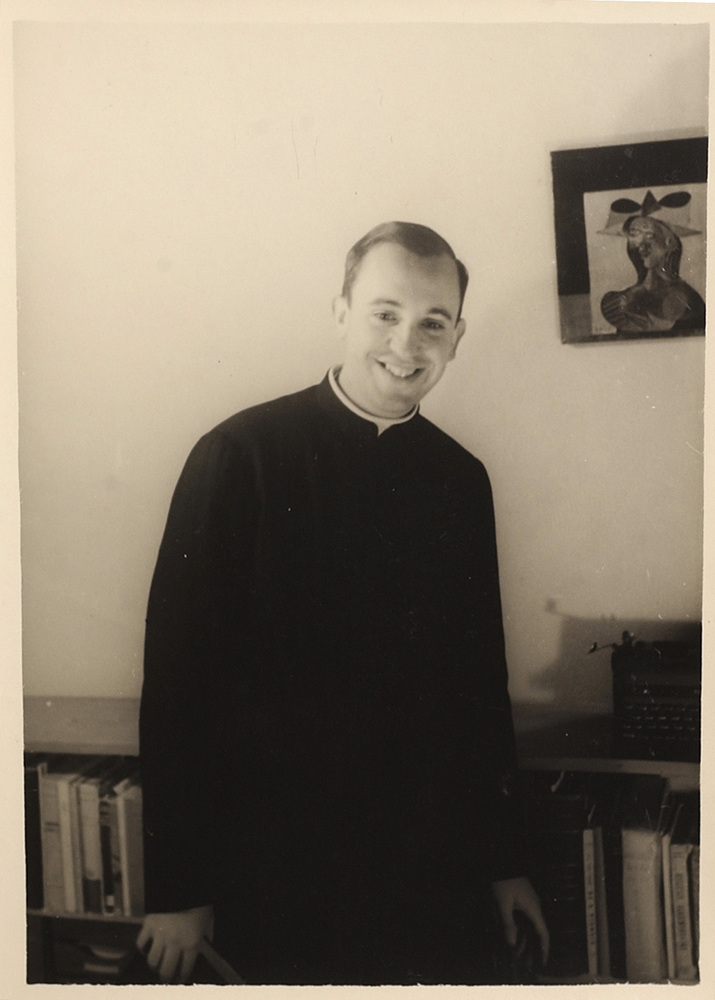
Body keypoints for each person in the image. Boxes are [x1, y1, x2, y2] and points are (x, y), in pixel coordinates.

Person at [137, 221, 549, 985]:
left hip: (423, 866)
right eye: (384, 313)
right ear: (340, 313)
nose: (407, 342)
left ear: (456, 337)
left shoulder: (461, 481)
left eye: (432, 323)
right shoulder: (238, 457)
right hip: (273, 867)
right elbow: (176, 690)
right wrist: (179, 890)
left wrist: (502, 864)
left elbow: (475, 687)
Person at [601, 215, 705, 335]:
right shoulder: (621, 301)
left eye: (649, 236)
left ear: (669, 242)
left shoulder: (689, 299)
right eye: (634, 235)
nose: (641, 245)